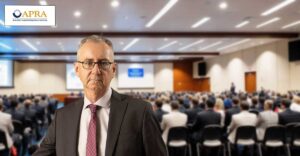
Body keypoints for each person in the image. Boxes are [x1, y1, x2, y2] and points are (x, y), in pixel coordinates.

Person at [33, 35, 167, 156]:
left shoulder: (140, 112)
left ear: (113, 69)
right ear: (77, 70)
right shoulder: (62, 117)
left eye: (103, 63)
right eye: (88, 63)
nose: (96, 70)